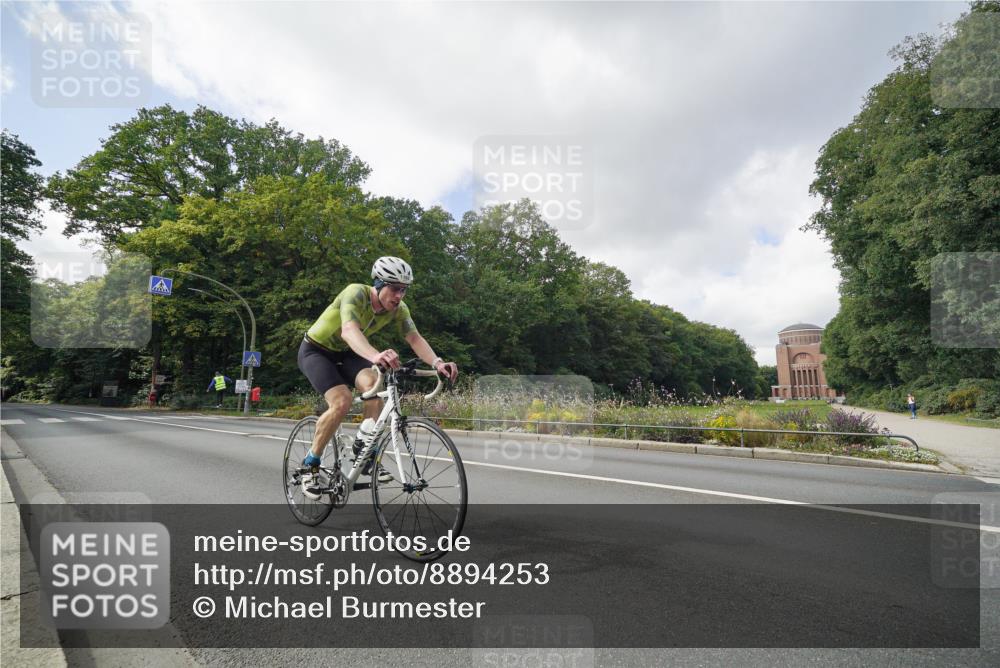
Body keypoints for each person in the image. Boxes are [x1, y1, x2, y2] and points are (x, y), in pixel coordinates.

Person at [298, 256, 458, 497]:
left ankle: (365, 451)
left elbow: (414, 338)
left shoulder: (399, 310)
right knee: (342, 401)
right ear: (379, 284)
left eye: (404, 290)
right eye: (394, 288)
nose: (399, 295)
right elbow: (349, 331)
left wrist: (437, 362)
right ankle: (310, 464)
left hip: (348, 353)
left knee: (374, 385)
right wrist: (375, 355)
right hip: (317, 351)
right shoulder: (356, 293)